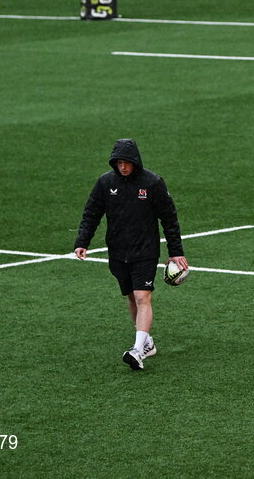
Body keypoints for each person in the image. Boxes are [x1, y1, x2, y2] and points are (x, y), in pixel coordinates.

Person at [74, 139, 188, 371]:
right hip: (117, 252)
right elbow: (92, 213)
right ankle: (147, 342)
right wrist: (82, 242)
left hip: (145, 251)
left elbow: (169, 218)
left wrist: (175, 252)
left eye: (127, 162)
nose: (123, 167)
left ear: (136, 161)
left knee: (142, 297)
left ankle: (137, 351)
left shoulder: (153, 183)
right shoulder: (105, 183)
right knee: (131, 297)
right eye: (119, 163)